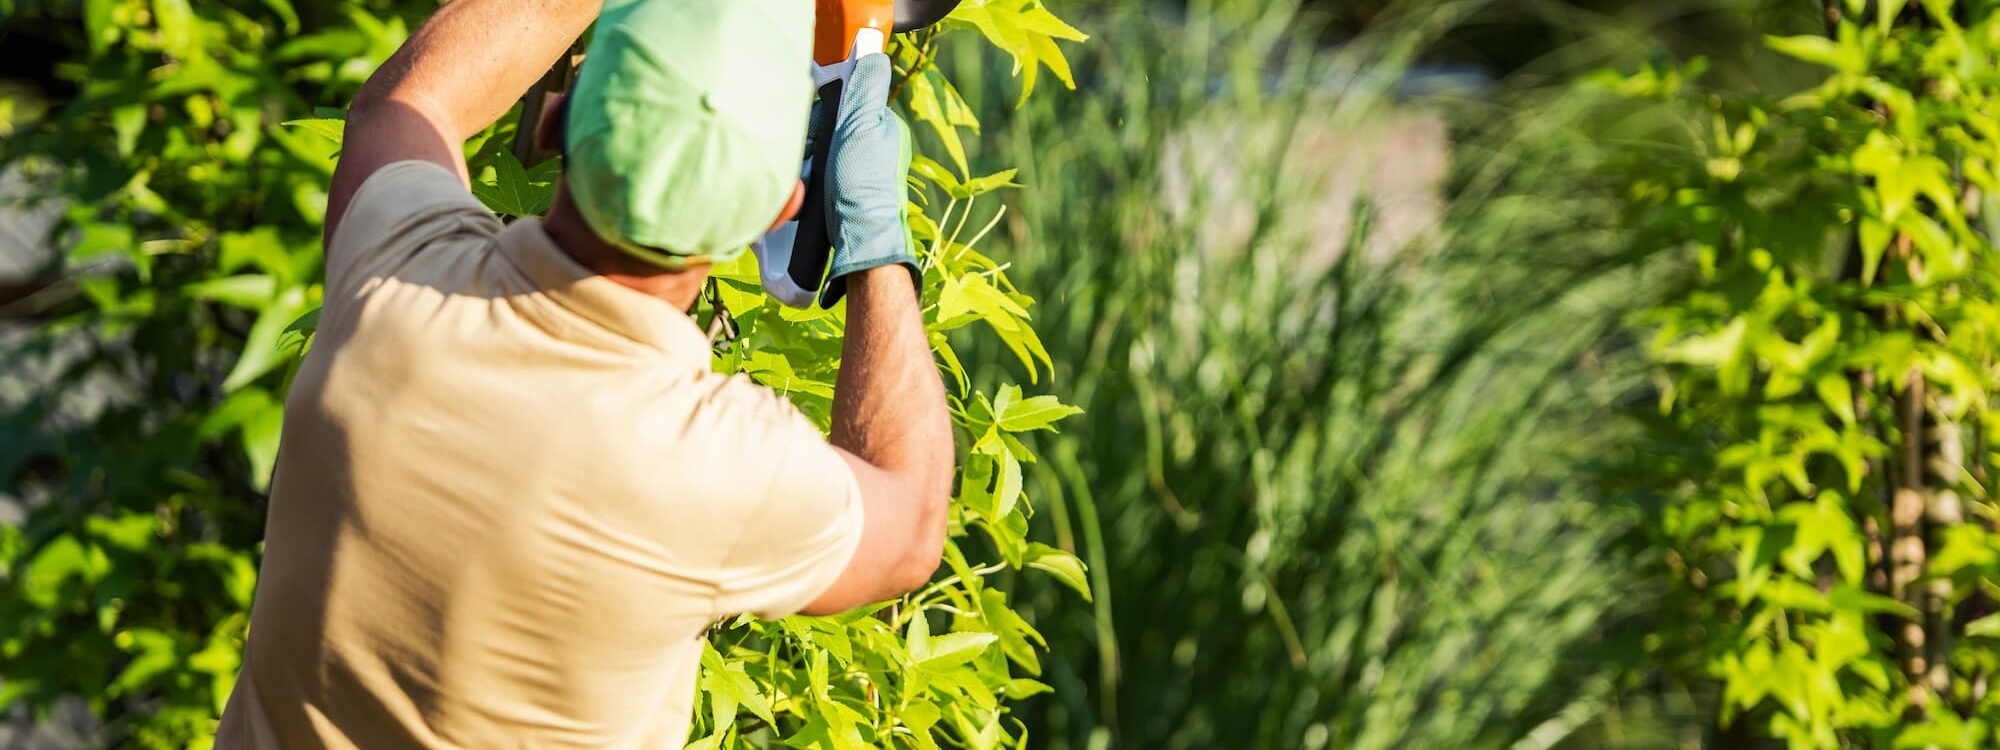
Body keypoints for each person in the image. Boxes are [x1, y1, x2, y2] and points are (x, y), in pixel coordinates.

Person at [214, 0, 953, 746]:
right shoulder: (717, 469)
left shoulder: (397, 276)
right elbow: (914, 522)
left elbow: (405, 104)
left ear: (553, 120)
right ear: (776, 212)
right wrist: (874, 239)